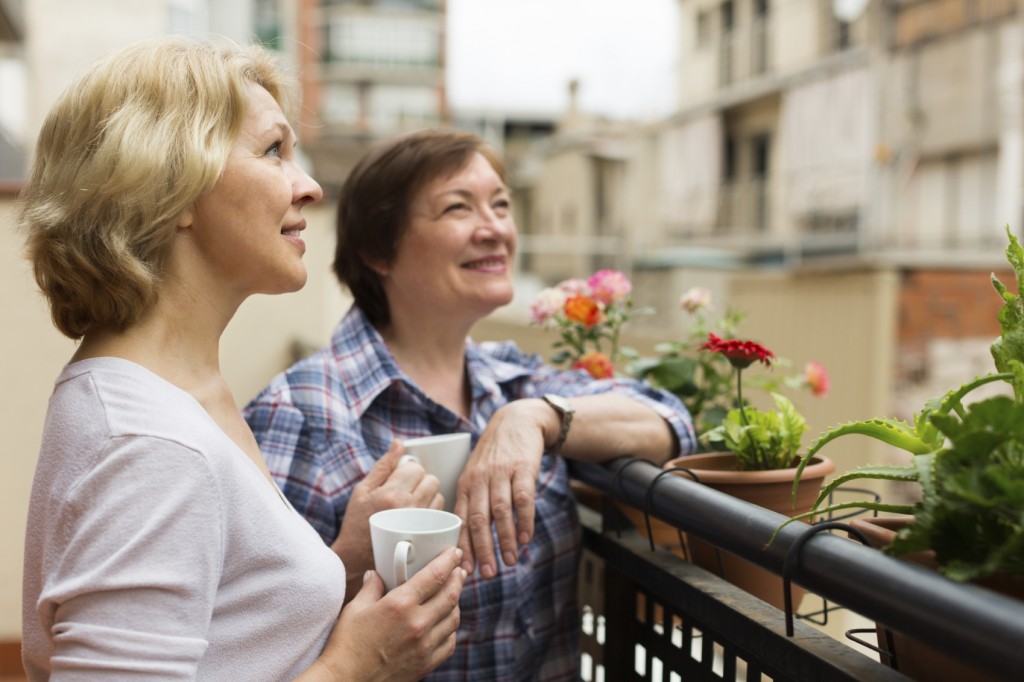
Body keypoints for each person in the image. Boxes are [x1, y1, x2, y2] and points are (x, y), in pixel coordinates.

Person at [19, 37, 464, 681]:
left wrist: (343, 558)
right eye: (273, 150)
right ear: (171, 188)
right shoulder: (149, 443)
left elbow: (224, 632)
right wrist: (356, 668)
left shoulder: (174, 391)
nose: (308, 185)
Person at [244, 128, 697, 680]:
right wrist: (350, 559)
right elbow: (253, 639)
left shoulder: (512, 381)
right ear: (377, 250)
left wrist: (537, 418)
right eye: (458, 208)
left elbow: (670, 418)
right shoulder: (299, 411)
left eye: (501, 205)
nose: (495, 229)